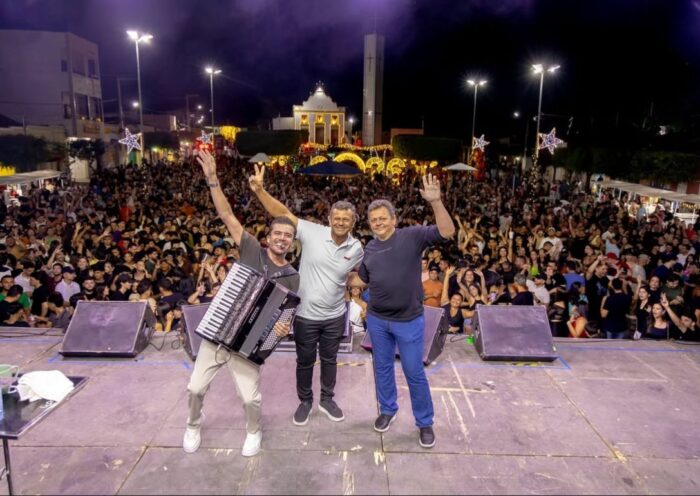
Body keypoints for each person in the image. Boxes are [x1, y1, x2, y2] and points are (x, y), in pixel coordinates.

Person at [183, 151, 299, 458]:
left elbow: (284, 315)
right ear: (268, 236)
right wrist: (213, 179)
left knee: (250, 399)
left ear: (292, 242)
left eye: (288, 236)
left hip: (247, 348)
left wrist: (280, 329)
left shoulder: (291, 277)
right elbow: (227, 215)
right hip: (218, 333)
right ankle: (193, 424)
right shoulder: (250, 249)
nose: (282, 239)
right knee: (195, 388)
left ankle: (253, 431)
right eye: (278, 233)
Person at [249, 162, 363, 426]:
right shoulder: (312, 232)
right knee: (304, 361)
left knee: (330, 360)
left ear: (353, 222)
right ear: (329, 219)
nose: (341, 222)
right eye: (337, 218)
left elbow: (351, 277)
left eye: (346, 219)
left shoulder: (357, 248)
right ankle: (305, 401)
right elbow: (283, 213)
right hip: (305, 315)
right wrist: (260, 191)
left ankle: (327, 400)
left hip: (335, 315)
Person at [350, 173, 455, 449]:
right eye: (374, 220)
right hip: (377, 320)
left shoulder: (412, 236)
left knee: (413, 371)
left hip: (408, 321)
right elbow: (363, 279)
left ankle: (425, 422)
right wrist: (335, 273)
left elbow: (447, 232)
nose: (378, 223)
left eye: (383, 218)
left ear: (394, 219)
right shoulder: (370, 248)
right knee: (382, 368)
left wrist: (436, 202)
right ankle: (388, 409)